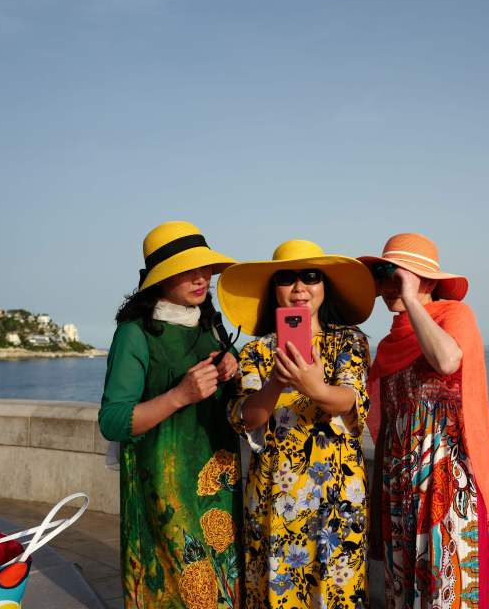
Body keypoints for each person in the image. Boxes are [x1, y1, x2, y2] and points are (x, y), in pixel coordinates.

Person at [217, 239, 375, 609]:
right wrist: (276, 383)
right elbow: (246, 417)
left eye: (311, 276)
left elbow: (351, 401)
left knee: (336, 593)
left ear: (324, 287)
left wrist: (314, 386)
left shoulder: (348, 342)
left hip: (336, 497)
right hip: (275, 496)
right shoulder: (255, 352)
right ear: (274, 290)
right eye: (287, 278)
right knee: (277, 593)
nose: (300, 287)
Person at [98, 220, 244, 608]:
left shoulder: (212, 324)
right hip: (164, 491)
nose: (201, 278)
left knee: (223, 590)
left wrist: (233, 366)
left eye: (205, 269)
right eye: (187, 270)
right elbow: (112, 421)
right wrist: (179, 395)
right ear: (160, 278)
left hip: (220, 487)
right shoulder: (136, 333)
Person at [360, 233, 489, 609]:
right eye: (383, 274)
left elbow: (446, 361)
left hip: (447, 481)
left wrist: (411, 299)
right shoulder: (392, 340)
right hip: (399, 483)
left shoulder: (454, 315)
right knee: (406, 592)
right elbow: (387, 422)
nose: (390, 283)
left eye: (399, 273)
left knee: (447, 590)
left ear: (425, 279)